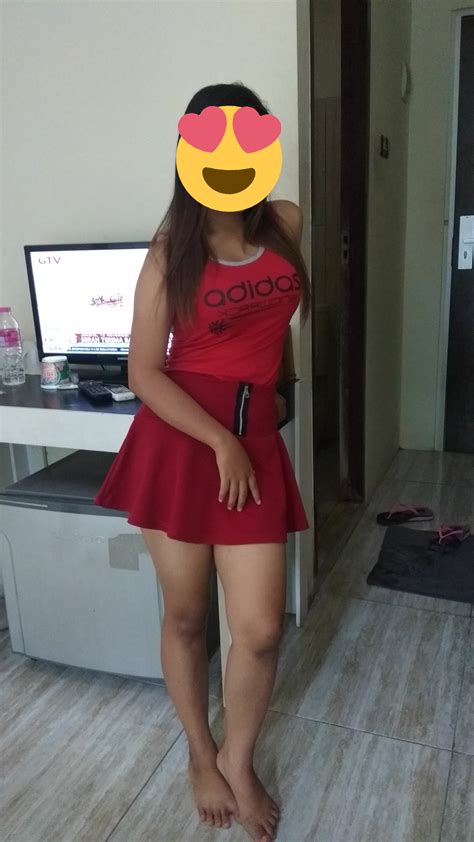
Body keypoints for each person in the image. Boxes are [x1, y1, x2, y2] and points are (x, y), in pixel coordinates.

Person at [95, 82, 311, 842]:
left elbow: (276, 327)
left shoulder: (286, 222)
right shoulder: (170, 254)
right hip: (184, 442)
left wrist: (276, 396)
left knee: (258, 629)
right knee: (187, 616)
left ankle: (238, 759)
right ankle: (199, 753)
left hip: (255, 441)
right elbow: (143, 372)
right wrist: (220, 441)